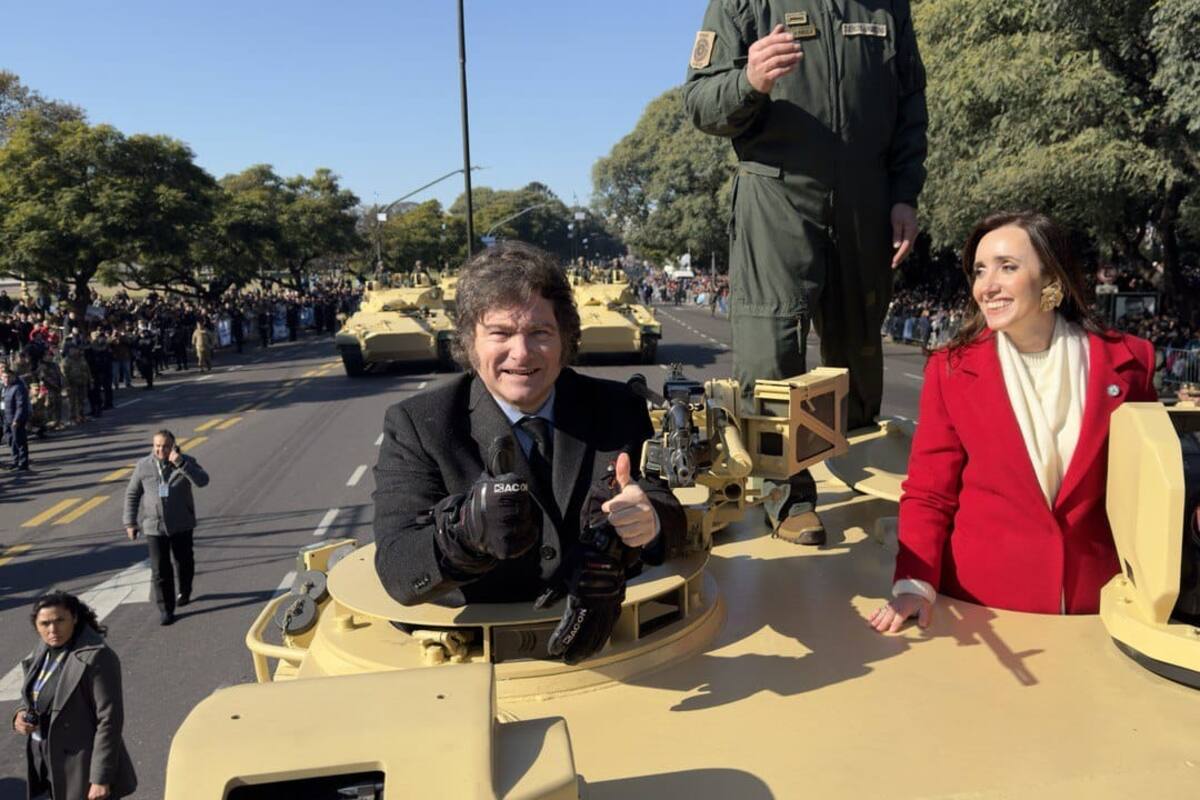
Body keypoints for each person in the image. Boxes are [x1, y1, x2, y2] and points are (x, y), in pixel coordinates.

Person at [683, 1, 928, 544]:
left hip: (868, 193)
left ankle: (864, 473)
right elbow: (699, 102)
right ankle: (786, 495)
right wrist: (748, 79)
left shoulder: (890, 5)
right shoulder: (744, 4)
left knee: (860, 343)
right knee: (773, 347)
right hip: (777, 188)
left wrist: (904, 193)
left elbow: (912, 104)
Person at [373, 242, 687, 659]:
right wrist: (463, 535)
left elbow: (667, 507)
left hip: (613, 641)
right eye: (500, 333)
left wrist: (649, 521)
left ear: (566, 339)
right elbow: (398, 566)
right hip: (469, 655)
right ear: (470, 342)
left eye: (539, 333)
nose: (520, 354)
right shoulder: (420, 425)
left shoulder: (618, 408)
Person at [869, 212, 1157, 632]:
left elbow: (1150, 487)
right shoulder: (949, 369)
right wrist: (914, 583)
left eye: (1008, 267)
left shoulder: (1131, 363)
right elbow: (930, 491)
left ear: (1051, 277)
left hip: (1097, 608)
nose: (988, 286)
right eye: (980, 271)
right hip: (982, 608)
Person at [12, 591, 138, 800]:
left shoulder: (97, 656)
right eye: (45, 623)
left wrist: (100, 778)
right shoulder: (44, 648)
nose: (53, 630)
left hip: (80, 764)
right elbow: (33, 692)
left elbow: (109, 720)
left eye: (60, 620)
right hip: (41, 757)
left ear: (75, 618)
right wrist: (20, 714)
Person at [123, 429, 210, 625]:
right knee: (160, 569)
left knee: (184, 561)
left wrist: (181, 464)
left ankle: (185, 591)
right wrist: (130, 522)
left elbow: (203, 481)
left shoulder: (186, 461)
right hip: (154, 526)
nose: (160, 450)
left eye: (165, 446)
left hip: (181, 523)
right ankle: (166, 608)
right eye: (157, 446)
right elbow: (132, 494)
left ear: (173, 446)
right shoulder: (144, 466)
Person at [2, 362, 32, 471]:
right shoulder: (6, 388)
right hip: (7, 419)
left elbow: (21, 405)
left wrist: (17, 419)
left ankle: (23, 463)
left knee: (20, 441)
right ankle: (15, 461)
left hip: (16, 420)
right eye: (4, 377)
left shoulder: (18, 388)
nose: (6, 379)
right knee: (12, 441)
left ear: (13, 377)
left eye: (8, 377)